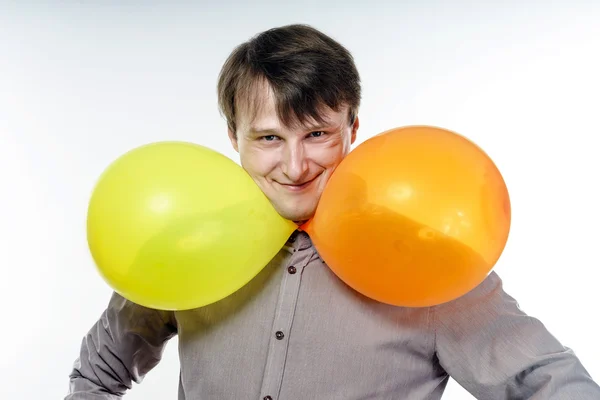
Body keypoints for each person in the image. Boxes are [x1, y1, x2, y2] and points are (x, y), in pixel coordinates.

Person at [66, 24, 600, 400]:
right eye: (269, 138)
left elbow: (548, 383)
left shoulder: (425, 259)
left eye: (317, 134)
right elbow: (97, 374)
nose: (295, 166)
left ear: (353, 131)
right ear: (234, 137)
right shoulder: (183, 243)